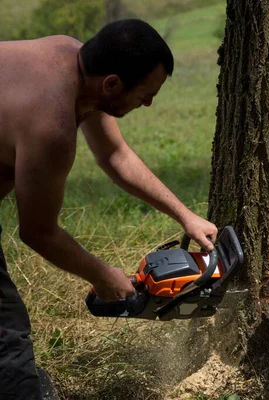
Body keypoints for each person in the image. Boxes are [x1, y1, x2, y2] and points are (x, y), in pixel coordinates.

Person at [0, 19, 218, 399]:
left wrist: (186, 215)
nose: (148, 103)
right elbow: (38, 232)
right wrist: (103, 276)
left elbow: (115, 155)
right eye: (146, 94)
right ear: (113, 84)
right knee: (6, 335)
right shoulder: (50, 126)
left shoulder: (73, 59)